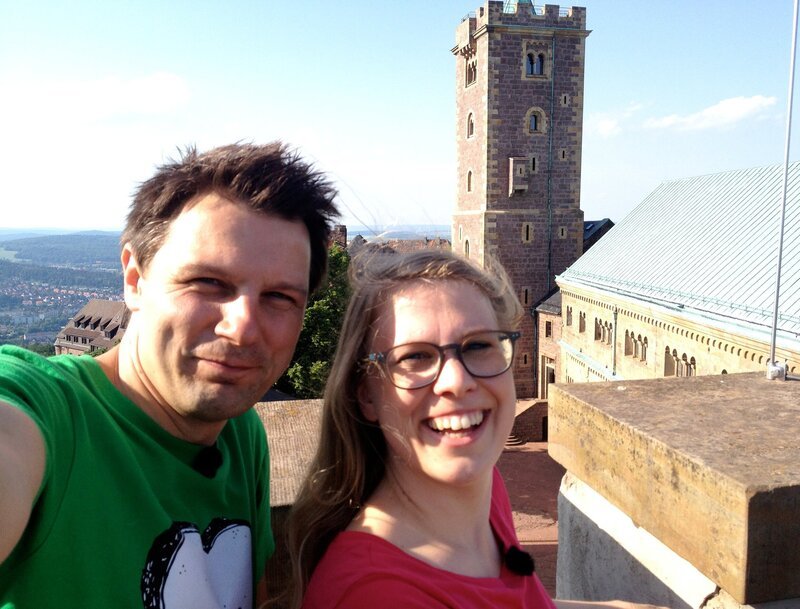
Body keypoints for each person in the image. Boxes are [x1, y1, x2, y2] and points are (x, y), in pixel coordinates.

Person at [0, 142, 339, 608]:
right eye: (209, 283)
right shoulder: (52, 415)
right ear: (134, 280)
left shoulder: (240, 436)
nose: (242, 327)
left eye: (280, 297)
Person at [287, 249, 552, 608]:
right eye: (415, 356)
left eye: (478, 345)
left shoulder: (485, 494)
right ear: (366, 394)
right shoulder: (375, 594)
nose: (456, 381)